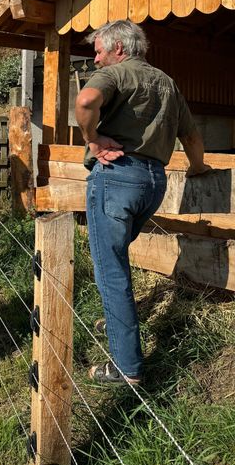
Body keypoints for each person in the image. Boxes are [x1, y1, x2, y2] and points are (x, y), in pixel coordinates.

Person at [75, 20, 210, 385]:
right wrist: (198, 168)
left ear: (119, 49)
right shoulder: (167, 82)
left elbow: (86, 101)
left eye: (99, 51)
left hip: (117, 177)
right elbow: (192, 136)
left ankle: (126, 367)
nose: (96, 59)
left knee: (110, 268)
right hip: (154, 183)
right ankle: (117, 322)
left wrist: (93, 139)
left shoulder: (116, 75)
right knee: (115, 258)